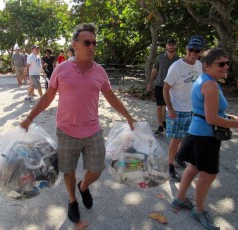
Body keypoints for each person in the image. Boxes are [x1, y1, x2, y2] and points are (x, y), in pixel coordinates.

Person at [20, 23, 136, 224]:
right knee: (69, 171)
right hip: (66, 131)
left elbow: (111, 97)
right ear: (75, 44)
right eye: (87, 42)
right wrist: (30, 118)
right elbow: (48, 96)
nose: (92, 46)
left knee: (97, 169)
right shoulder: (61, 69)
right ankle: (72, 199)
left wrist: (128, 116)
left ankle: (83, 187)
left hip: (93, 130)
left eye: (94, 43)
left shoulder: (100, 71)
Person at [171, 48, 238, 230]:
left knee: (193, 167)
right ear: (206, 65)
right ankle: (198, 210)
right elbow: (212, 119)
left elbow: (212, 111)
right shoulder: (209, 84)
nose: (225, 67)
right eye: (221, 64)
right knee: (208, 174)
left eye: (227, 63)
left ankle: (179, 199)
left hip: (197, 132)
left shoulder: (205, 80)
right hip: (205, 135)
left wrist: (230, 118)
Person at [163, 35, 205, 181]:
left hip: (192, 109)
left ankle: (179, 157)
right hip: (177, 109)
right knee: (176, 139)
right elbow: (165, 88)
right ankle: (170, 166)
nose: (193, 53)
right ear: (186, 48)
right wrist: (170, 109)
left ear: (201, 51)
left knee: (186, 137)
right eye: (191, 49)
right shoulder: (176, 66)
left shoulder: (199, 66)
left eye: (197, 50)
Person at [147, 39, 179, 135]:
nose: (171, 46)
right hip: (160, 85)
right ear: (166, 46)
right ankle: (160, 126)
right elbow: (154, 70)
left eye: (173, 45)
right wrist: (150, 82)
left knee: (169, 106)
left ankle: (166, 122)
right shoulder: (160, 57)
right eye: (169, 45)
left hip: (173, 87)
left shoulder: (179, 59)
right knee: (159, 106)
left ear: (175, 46)